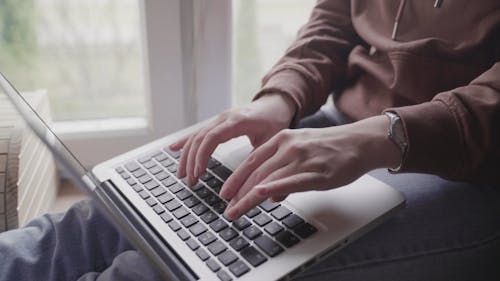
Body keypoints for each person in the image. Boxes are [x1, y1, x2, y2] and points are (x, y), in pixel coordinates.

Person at [1, 1, 499, 280]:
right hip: (334, 123)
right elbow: (333, 22)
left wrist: (381, 135)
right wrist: (278, 99)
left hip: (462, 170)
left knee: (164, 271)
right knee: (109, 211)